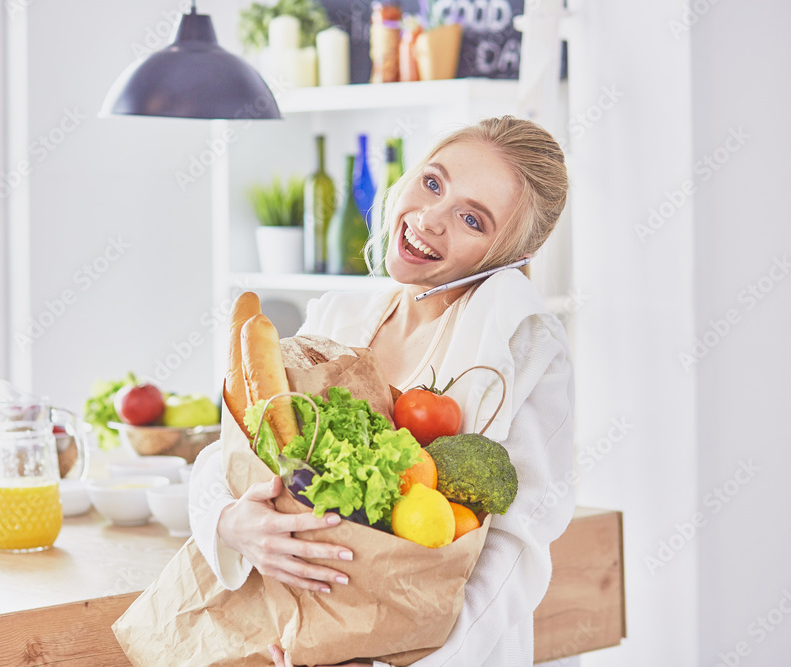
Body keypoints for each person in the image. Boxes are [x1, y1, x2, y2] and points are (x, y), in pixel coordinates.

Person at [188, 115, 575, 667]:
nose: (430, 219)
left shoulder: (522, 344)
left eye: (472, 219)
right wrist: (229, 521)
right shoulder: (340, 315)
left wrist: (404, 661)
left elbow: (517, 545)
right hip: (310, 641)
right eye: (433, 183)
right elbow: (234, 445)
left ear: (510, 257)